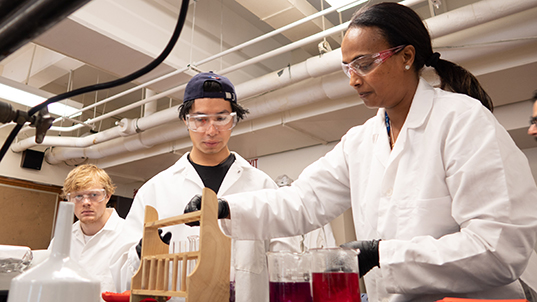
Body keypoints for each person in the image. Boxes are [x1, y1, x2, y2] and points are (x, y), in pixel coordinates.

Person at [185, 3, 537, 301]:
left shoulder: (461, 120)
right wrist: (225, 207)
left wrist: (382, 254)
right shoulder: (360, 141)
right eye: (347, 67)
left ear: (406, 57)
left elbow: (499, 247)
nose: (353, 79)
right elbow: (303, 200)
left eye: (364, 63)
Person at [110, 72, 301, 301]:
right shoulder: (155, 191)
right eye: (200, 119)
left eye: (221, 119)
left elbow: (288, 263)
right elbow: (121, 276)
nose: (211, 131)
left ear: (234, 119)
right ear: (186, 121)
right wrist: (139, 256)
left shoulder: (262, 186)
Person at [49, 164, 124, 299]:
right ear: (69, 200)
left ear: (107, 196)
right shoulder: (63, 237)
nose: (86, 202)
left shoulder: (127, 234)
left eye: (94, 195)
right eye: (78, 196)